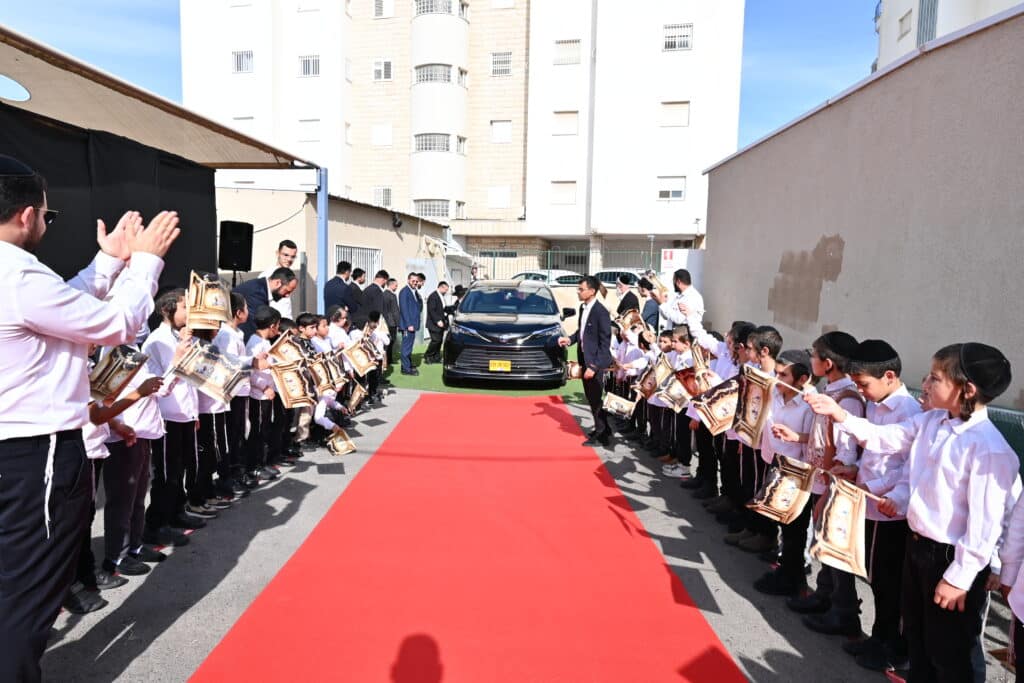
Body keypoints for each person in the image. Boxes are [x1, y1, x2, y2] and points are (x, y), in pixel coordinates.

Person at [0, 154, 179, 682]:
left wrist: (107, 262)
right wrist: (144, 263)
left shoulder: (21, 281)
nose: (45, 223)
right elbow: (115, 324)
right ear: (27, 215)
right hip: (35, 452)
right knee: (27, 594)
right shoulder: (18, 275)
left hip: (17, 447)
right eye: (48, 215)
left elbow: (62, 305)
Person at [807, 342, 1018, 683]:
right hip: (917, 547)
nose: (926, 383)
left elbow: (985, 525)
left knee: (949, 653)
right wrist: (840, 414)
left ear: (967, 390)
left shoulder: (989, 449)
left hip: (950, 559)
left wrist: (959, 578)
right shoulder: (931, 421)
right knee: (919, 640)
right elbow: (884, 439)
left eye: (936, 378)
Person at [838, 339, 922, 672]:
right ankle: (879, 636)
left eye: (863, 384)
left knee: (890, 584)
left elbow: (907, 468)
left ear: (888, 376)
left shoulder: (910, 412)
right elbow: (872, 452)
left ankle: (895, 648)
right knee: (875, 578)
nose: (861, 391)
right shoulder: (876, 402)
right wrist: (855, 468)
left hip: (892, 511)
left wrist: (871, 486)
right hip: (870, 502)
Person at [788, 331, 865, 637]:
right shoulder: (830, 391)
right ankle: (824, 595)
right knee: (823, 542)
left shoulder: (848, 400)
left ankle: (844, 611)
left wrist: (830, 492)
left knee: (835, 547)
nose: (810, 359)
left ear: (828, 363)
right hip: (820, 478)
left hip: (834, 485)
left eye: (814, 354)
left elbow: (846, 453)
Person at [753, 349, 815, 597]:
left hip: (798, 474)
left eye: (784, 375)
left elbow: (815, 444)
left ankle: (794, 579)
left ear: (802, 379)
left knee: (795, 529)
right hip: (776, 465)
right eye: (777, 373)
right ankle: (785, 569)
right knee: (782, 523)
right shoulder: (776, 394)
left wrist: (797, 437)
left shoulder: (810, 405)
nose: (777, 379)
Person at [558, 275, 613, 447]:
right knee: (592, 397)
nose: (578, 292)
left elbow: (605, 343)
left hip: (595, 363)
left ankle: (602, 435)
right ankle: (604, 429)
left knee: (596, 398)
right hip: (584, 359)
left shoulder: (600, 312)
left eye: (581, 289)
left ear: (592, 291)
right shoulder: (584, 308)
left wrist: (594, 366)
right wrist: (570, 339)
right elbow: (582, 332)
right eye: (578, 289)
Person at [233, 267, 297, 340]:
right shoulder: (257, 292)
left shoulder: (261, 288)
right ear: (277, 283)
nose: (287, 295)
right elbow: (255, 325)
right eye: (287, 291)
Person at [259, 239, 298, 319]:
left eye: (293, 257)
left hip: (286, 322)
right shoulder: (266, 275)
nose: (289, 259)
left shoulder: (290, 275)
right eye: (285, 255)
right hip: (273, 323)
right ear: (277, 253)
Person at [399, 273, 423, 375]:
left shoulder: (414, 291)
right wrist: (409, 324)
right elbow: (404, 309)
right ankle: (406, 369)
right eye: (413, 281)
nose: (415, 283)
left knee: (409, 346)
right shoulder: (404, 292)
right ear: (408, 280)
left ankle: (407, 364)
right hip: (408, 326)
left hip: (413, 324)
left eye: (417, 281)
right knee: (406, 348)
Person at [424, 281, 449, 364]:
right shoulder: (433, 296)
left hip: (441, 323)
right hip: (433, 323)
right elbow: (432, 310)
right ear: (441, 287)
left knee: (439, 341)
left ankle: (436, 357)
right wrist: (438, 320)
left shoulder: (441, 296)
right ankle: (428, 356)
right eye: (445, 290)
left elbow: (442, 308)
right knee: (435, 340)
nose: (446, 292)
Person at [383, 278, 400, 366]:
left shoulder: (383, 294)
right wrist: (399, 323)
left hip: (386, 321)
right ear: (391, 285)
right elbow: (395, 311)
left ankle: (388, 359)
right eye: (396, 285)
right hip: (392, 321)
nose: (396, 287)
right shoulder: (392, 295)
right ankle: (389, 359)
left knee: (387, 341)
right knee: (391, 341)